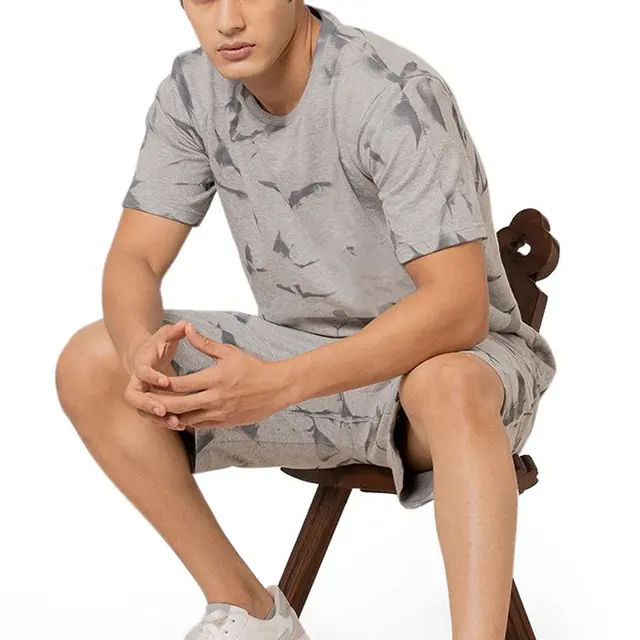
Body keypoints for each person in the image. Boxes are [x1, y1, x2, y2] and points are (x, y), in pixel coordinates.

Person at [55, 1, 557, 639]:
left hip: (455, 374)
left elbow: (457, 310)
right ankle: (250, 613)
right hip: (303, 364)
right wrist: (139, 354)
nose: (227, 20)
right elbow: (136, 257)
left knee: (449, 382)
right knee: (92, 360)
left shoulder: (392, 92)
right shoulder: (192, 89)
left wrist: (281, 382)